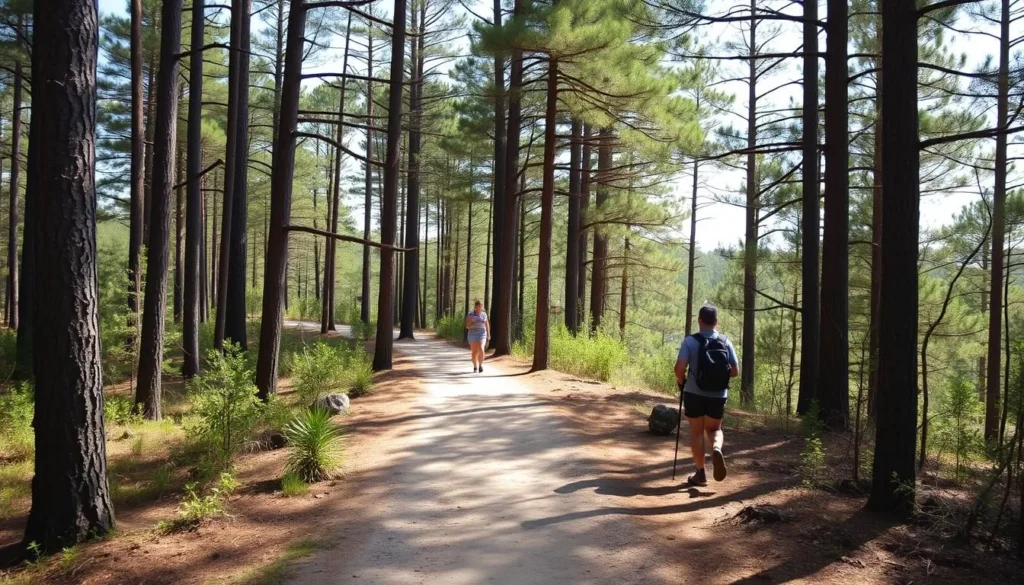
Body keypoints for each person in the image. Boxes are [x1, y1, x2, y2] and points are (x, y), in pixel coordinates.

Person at [674, 304, 739, 487]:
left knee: (697, 432)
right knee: (714, 429)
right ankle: (716, 448)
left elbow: (679, 367)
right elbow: (735, 371)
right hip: (718, 395)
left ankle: (700, 473)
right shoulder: (725, 341)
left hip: (694, 393)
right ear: (716, 322)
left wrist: (681, 379)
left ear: (699, 320)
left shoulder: (690, 341)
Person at [464, 300, 490, 373]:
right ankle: (475, 366)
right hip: (472, 333)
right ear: (475, 307)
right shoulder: (470, 315)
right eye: (478, 306)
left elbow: (487, 324)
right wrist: (471, 322)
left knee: (481, 348)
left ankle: (480, 365)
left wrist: (488, 334)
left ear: (482, 307)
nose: (479, 308)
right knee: (474, 352)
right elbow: (467, 326)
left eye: (481, 306)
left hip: (482, 333)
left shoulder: (484, 314)